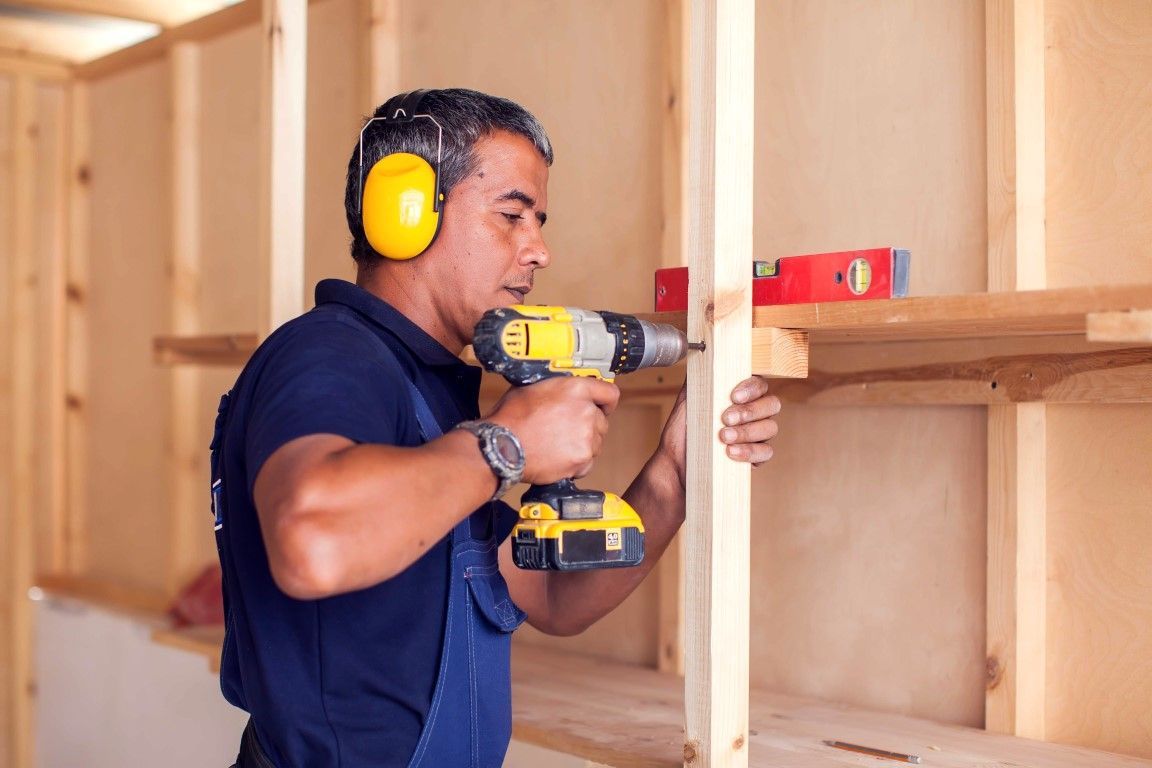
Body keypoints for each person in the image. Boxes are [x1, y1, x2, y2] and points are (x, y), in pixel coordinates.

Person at [211, 88, 781, 768]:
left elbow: (549, 594)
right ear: (406, 216)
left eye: (538, 220)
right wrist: (506, 445)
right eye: (511, 215)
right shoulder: (330, 358)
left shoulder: (433, 393)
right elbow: (313, 543)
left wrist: (676, 473)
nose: (538, 249)